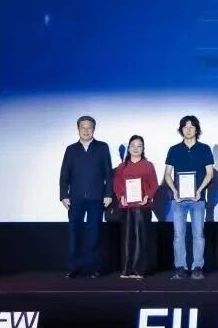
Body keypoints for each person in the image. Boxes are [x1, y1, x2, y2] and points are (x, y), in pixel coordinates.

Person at [58, 116, 113, 278]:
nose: (86, 130)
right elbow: (64, 174)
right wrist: (64, 195)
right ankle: (74, 268)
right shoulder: (71, 149)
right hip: (76, 199)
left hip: (96, 198)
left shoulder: (102, 147)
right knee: (74, 233)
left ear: (94, 129)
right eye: (83, 127)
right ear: (78, 129)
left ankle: (93, 268)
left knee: (94, 234)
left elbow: (108, 173)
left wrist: (108, 194)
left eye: (89, 127)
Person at [164, 115, 214, 280]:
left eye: (191, 126)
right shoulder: (174, 149)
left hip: (197, 199)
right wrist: (174, 190)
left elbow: (209, 173)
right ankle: (180, 267)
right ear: (181, 130)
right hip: (178, 200)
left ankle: (197, 267)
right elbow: (167, 174)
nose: (188, 129)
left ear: (196, 129)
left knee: (198, 234)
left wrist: (199, 190)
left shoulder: (205, 149)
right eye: (185, 127)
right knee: (179, 235)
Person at [112, 135, 158, 278]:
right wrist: (121, 196)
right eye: (133, 146)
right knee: (127, 238)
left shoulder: (148, 165)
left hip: (142, 207)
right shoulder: (122, 167)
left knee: (140, 238)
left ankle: (139, 270)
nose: (136, 148)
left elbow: (154, 184)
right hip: (126, 207)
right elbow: (117, 184)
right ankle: (127, 270)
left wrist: (147, 196)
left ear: (143, 148)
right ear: (128, 148)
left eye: (139, 146)